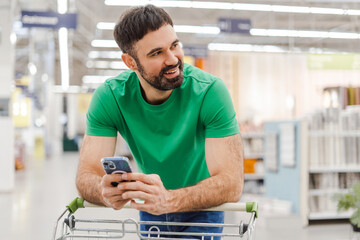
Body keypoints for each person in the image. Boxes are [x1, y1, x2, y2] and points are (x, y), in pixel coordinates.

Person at [76, 4, 244, 239]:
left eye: (174, 45)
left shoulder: (210, 92)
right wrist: (102, 190)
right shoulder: (110, 97)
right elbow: (86, 175)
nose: (173, 59)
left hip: (203, 208)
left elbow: (232, 183)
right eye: (157, 53)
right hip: (151, 206)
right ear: (130, 62)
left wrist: (170, 200)